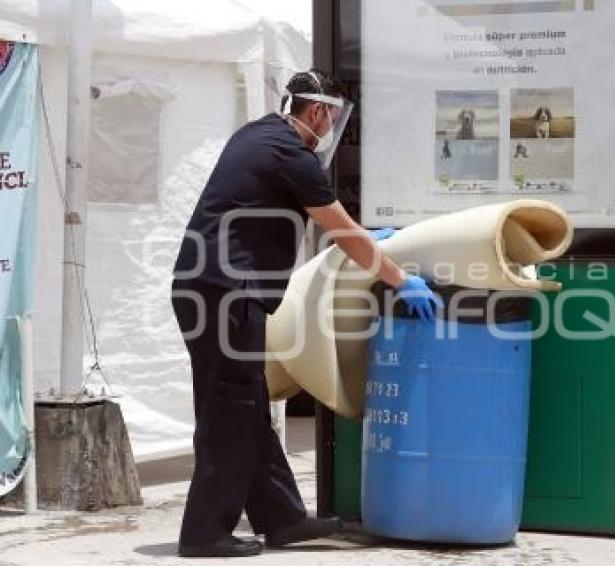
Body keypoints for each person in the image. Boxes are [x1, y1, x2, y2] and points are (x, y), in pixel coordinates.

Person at [171, 69, 439, 558]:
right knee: (229, 411)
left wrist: (357, 238)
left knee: (247, 405)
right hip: (223, 294)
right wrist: (399, 278)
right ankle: (204, 534)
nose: (333, 127)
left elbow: (314, 221)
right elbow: (337, 226)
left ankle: (283, 519)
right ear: (317, 111)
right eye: (333, 117)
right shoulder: (292, 154)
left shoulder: (258, 135)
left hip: (213, 290)